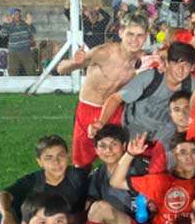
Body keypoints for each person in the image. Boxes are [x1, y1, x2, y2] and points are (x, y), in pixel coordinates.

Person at [56, 12, 149, 168]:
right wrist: (74, 62)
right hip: (88, 108)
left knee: (120, 158)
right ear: (121, 32)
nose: (134, 40)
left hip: (116, 111)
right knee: (82, 162)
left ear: (145, 37)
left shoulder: (143, 59)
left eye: (139, 35)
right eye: (130, 34)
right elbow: (61, 69)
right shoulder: (103, 53)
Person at [90, 42, 195, 158]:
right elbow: (116, 98)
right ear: (167, 63)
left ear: (192, 67)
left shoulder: (193, 85)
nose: (181, 70)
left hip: (164, 135)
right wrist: (101, 122)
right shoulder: (150, 77)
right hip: (134, 130)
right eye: (176, 63)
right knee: (128, 161)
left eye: (186, 65)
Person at [0, 8, 37, 76]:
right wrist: (5, 24)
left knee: (31, 71)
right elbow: (2, 34)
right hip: (13, 52)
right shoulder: (9, 25)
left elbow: (33, 32)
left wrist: (30, 24)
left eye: (19, 14)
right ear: (12, 16)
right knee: (12, 72)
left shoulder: (25, 24)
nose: (18, 16)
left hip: (26, 51)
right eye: (15, 14)